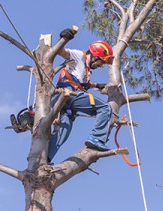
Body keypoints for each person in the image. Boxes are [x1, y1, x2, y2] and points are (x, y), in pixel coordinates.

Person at [47, 27, 114, 164]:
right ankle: (96, 138)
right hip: (68, 94)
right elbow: (60, 51)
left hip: (65, 103)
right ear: (95, 56)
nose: (101, 65)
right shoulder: (79, 56)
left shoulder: (85, 69)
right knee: (105, 108)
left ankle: (44, 160)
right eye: (101, 62)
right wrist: (63, 37)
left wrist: (97, 85)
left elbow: (83, 83)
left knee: (62, 134)